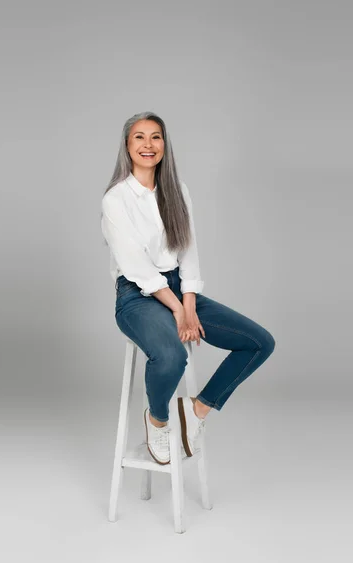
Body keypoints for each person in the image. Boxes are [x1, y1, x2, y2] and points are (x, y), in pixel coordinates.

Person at [100, 111, 275, 466]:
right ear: (127, 146)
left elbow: (189, 253)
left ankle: (196, 410)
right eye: (139, 137)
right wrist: (179, 310)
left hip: (180, 289)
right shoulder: (115, 199)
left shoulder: (177, 191)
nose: (148, 145)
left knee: (259, 343)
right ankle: (158, 420)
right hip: (137, 296)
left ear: (165, 145)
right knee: (172, 356)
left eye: (156, 137)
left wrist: (189, 302)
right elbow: (137, 267)